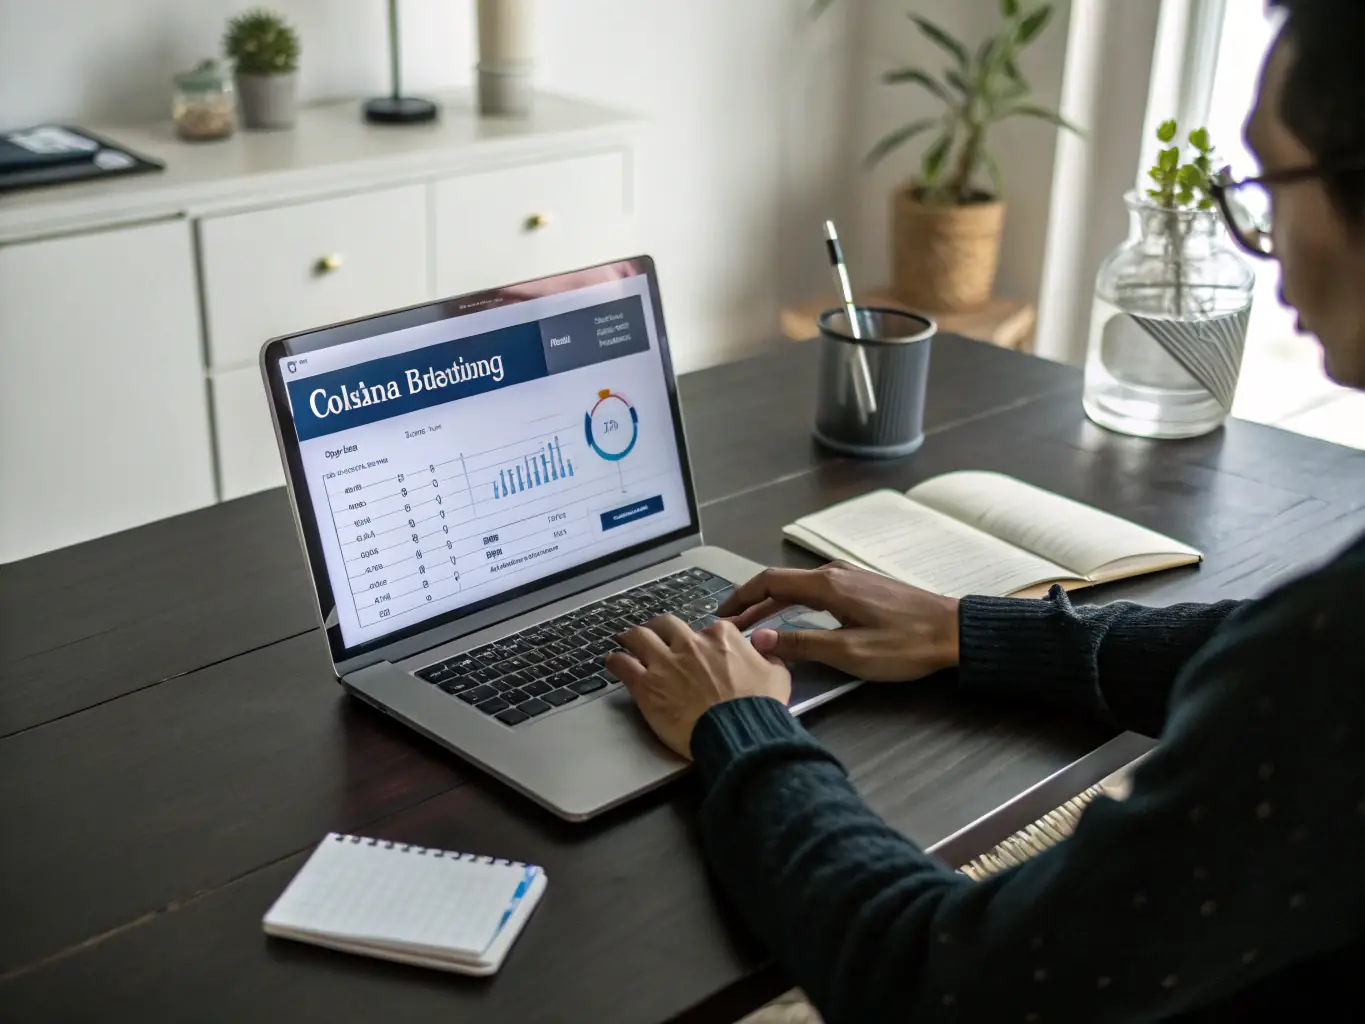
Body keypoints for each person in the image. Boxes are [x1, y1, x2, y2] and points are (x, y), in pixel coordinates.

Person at [603, 1, 1365, 1020]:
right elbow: (1266, 657)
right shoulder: (1320, 650)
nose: (1261, 240)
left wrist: (741, 731)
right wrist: (971, 628)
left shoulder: (1329, 656)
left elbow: (939, 981)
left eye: (1268, 183)